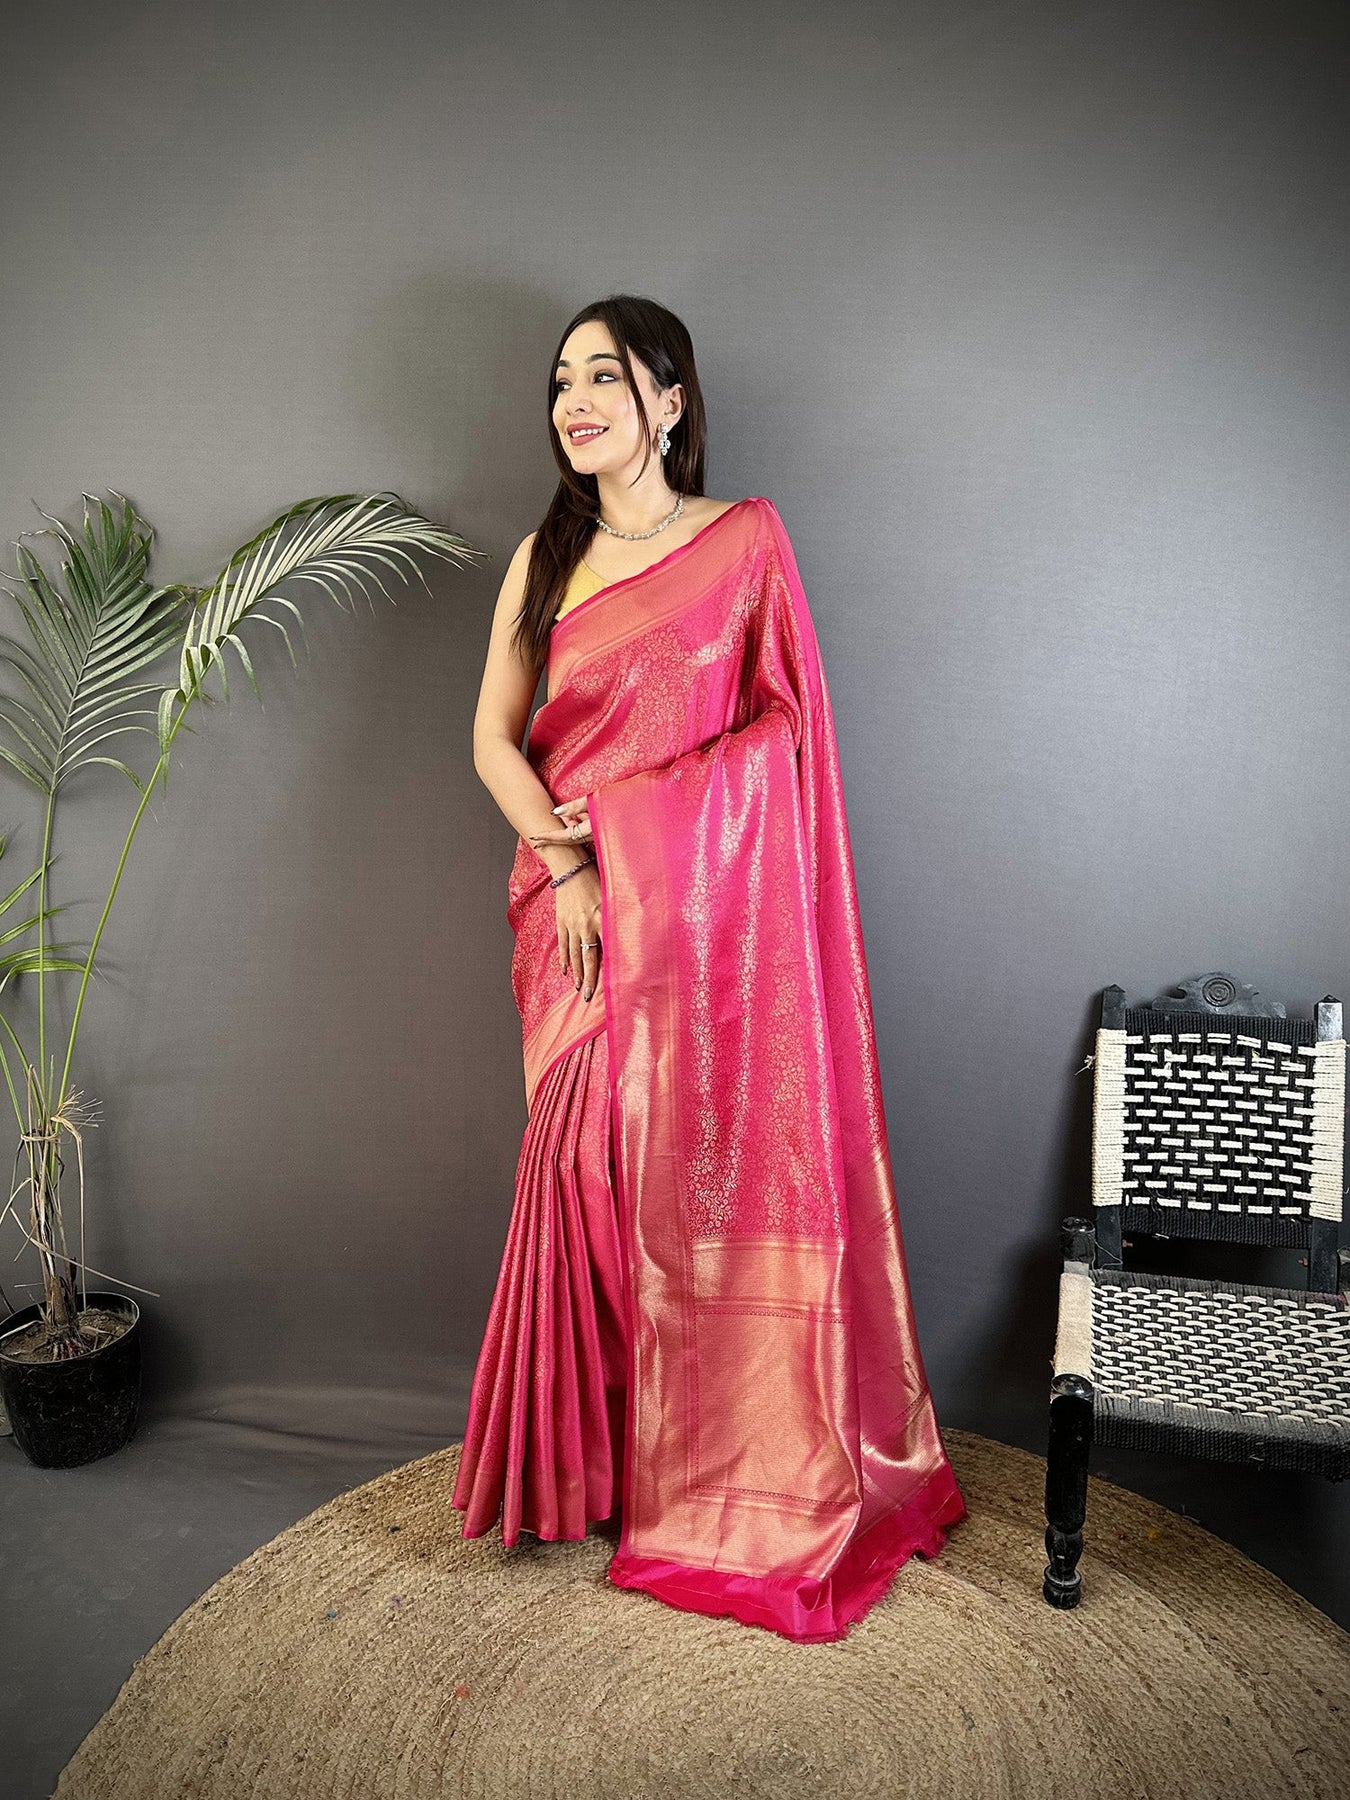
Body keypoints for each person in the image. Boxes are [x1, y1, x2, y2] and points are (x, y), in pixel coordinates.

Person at [453, 292, 965, 1643]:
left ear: (670, 402)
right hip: (569, 910)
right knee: (582, 1167)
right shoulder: (544, 559)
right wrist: (572, 867)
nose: (575, 402)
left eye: (604, 377)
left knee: (686, 1167)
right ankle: (583, 1474)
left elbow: (786, 736)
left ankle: (707, 1465)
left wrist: (634, 833)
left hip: (702, 916)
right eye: (562, 381)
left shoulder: (743, 541)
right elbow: (495, 739)